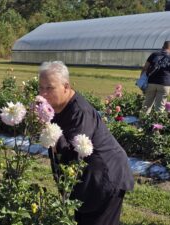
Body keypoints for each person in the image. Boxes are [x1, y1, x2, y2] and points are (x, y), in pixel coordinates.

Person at [38, 61, 134, 225]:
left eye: (50, 88)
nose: (44, 93)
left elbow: (72, 153)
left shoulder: (79, 112)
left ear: (66, 87)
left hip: (105, 178)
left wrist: (47, 127)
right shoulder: (56, 108)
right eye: (41, 87)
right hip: (86, 181)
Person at [141, 41, 170, 114]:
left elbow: (145, 68)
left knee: (146, 105)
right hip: (164, 83)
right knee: (160, 107)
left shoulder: (154, 54)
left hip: (151, 82)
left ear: (163, 46)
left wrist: (142, 80)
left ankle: (142, 123)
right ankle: (157, 124)